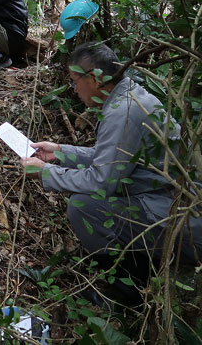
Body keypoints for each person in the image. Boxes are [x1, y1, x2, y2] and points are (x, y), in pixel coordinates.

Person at [21, 42, 201, 303]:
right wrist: (60, 152)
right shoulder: (130, 96)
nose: (74, 89)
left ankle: (125, 291)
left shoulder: (123, 112)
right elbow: (114, 160)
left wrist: (46, 173)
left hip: (184, 218)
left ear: (94, 79)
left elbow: (102, 181)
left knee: (84, 206)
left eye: (75, 81)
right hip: (172, 202)